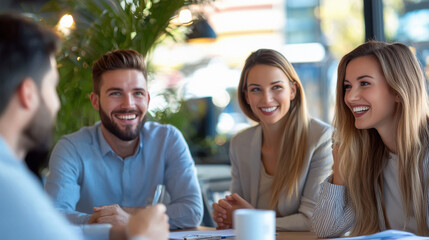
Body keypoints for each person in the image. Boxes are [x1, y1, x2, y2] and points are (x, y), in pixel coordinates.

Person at [0, 13, 169, 240]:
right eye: (52, 87)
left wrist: (122, 229)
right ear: (28, 94)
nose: (57, 104)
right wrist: (143, 236)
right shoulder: (8, 183)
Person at [45, 49, 203, 229]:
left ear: (148, 99)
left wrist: (127, 217)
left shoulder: (168, 139)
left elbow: (192, 211)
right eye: (115, 93)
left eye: (138, 93)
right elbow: (54, 215)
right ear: (95, 101)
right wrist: (103, 220)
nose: (129, 104)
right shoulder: (71, 148)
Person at [312, 41, 429, 237]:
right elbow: (326, 229)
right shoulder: (367, 158)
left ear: (398, 91)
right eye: (347, 86)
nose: (349, 97)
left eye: (364, 83)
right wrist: (339, 174)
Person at [212, 49, 333, 231]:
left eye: (276, 87)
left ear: (292, 91)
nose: (267, 99)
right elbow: (236, 209)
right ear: (246, 96)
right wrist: (224, 212)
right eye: (256, 90)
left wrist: (253, 219)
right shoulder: (240, 143)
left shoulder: (321, 138)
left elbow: (313, 219)